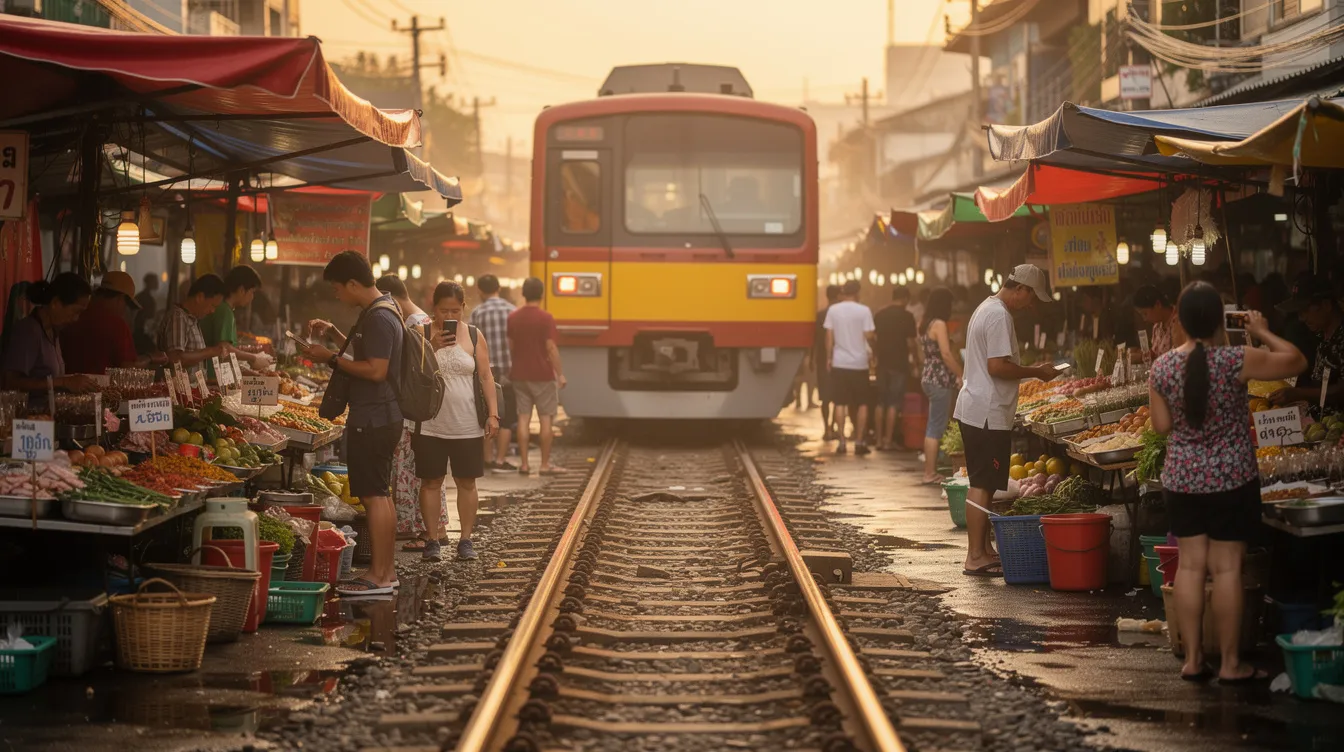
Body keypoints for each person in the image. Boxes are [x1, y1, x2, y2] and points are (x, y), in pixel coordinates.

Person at [1149, 282, 1305, 683]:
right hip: (1232, 477)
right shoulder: (1237, 359)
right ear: (1221, 318)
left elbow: (1162, 426)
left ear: (1180, 321)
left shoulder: (1162, 367)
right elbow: (1296, 361)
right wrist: (1261, 329)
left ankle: (1193, 660)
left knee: (1190, 569)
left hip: (1182, 478)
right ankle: (1232, 665)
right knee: (1228, 571)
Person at [302, 252, 404, 596]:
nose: (336, 295)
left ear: (352, 284)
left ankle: (378, 574)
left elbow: (375, 369)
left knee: (375, 497)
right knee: (381, 495)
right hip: (383, 416)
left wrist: (328, 357)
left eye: (336, 288)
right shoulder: (385, 309)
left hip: (373, 418)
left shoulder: (377, 317)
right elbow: (369, 355)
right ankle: (386, 572)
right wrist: (334, 335)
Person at [955, 265, 1060, 577]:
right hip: (986, 411)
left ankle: (984, 550)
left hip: (981, 408)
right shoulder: (999, 315)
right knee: (982, 484)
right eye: (1031, 298)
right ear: (1022, 289)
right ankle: (975, 555)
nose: (1030, 306)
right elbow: (998, 366)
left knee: (985, 483)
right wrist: (1036, 371)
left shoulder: (986, 307)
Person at [411, 281, 500, 561]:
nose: (449, 317)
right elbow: (411, 373)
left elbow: (486, 376)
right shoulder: (421, 333)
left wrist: (493, 415)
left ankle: (465, 539)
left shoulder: (474, 336)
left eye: (455, 310)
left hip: (467, 422)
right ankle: (433, 539)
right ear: (433, 308)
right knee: (431, 481)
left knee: (466, 481)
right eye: (443, 310)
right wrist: (431, 347)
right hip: (430, 422)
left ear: (464, 308)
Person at [374, 275, 450, 553]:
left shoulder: (412, 324)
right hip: (424, 411)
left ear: (389, 296)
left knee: (412, 472)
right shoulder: (422, 319)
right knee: (425, 474)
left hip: (412, 412)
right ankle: (436, 527)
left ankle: (422, 530)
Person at [509, 277, 566, 476]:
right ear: (541, 294)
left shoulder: (513, 317)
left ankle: (524, 465)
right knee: (545, 420)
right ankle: (544, 465)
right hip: (542, 374)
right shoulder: (546, 318)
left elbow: (512, 347)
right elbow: (550, 348)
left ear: (523, 294)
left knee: (523, 418)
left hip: (519, 374)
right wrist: (560, 374)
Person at [2, 273, 97, 395]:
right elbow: (10, 382)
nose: (76, 319)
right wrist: (63, 382)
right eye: (75, 311)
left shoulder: (53, 331)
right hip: (31, 412)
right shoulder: (29, 331)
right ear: (55, 303)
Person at [1269, 275, 1343, 410]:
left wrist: (1299, 393)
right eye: (1299, 313)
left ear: (1326, 305)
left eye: (1305, 310)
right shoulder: (1320, 333)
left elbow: (1342, 391)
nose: (1301, 318)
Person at [470, 274, 518, 472]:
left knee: (487, 413)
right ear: (498, 288)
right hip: (508, 372)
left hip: (485, 372)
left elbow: (471, 341)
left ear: (480, 290)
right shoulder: (512, 311)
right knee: (507, 416)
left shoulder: (477, 312)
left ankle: (487, 458)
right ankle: (500, 460)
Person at [61, 271, 149, 375]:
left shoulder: (72, 315)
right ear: (120, 299)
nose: (124, 310)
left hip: (67, 387)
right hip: (101, 389)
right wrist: (150, 358)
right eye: (126, 304)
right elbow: (128, 368)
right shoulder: (117, 325)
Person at [824, 279, 875, 456]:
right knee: (862, 403)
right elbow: (869, 335)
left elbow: (829, 337)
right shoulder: (864, 310)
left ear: (844, 292)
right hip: (859, 363)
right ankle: (859, 441)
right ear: (857, 292)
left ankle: (842, 442)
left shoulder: (833, 310)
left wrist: (829, 358)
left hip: (840, 362)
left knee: (840, 402)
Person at [919, 288, 962, 483]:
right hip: (940, 380)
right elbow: (946, 354)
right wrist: (962, 374)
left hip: (928, 377)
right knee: (935, 427)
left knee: (934, 425)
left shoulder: (925, 324)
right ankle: (929, 473)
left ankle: (929, 470)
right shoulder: (940, 324)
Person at [200, 266, 273, 377]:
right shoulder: (224, 311)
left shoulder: (225, 309)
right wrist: (254, 358)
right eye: (252, 292)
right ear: (241, 290)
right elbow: (224, 349)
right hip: (213, 377)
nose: (252, 297)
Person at [873, 286, 918, 451]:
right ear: (905, 298)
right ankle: (887, 440)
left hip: (882, 364)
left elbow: (874, 337)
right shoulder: (907, 316)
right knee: (893, 403)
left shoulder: (879, 315)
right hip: (899, 364)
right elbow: (910, 343)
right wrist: (916, 361)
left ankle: (878, 440)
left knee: (880, 402)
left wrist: (875, 355)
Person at [158, 274, 229, 368]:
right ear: (199, 297)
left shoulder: (192, 319)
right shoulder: (178, 317)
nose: (212, 311)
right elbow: (175, 358)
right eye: (212, 306)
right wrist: (210, 351)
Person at [815, 285, 841, 438]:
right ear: (837, 295)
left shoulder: (820, 315)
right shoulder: (839, 315)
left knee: (825, 397)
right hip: (838, 359)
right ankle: (833, 425)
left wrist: (811, 358)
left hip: (822, 359)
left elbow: (815, 339)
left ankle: (827, 429)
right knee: (838, 397)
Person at [1133, 285, 1185, 359]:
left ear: (1158, 304)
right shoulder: (1157, 326)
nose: (1144, 319)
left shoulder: (1180, 322)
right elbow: (1156, 353)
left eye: (1145, 314)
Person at [133, 272, 159, 356]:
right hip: (141, 335)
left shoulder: (144, 297)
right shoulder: (144, 298)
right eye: (154, 281)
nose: (157, 283)